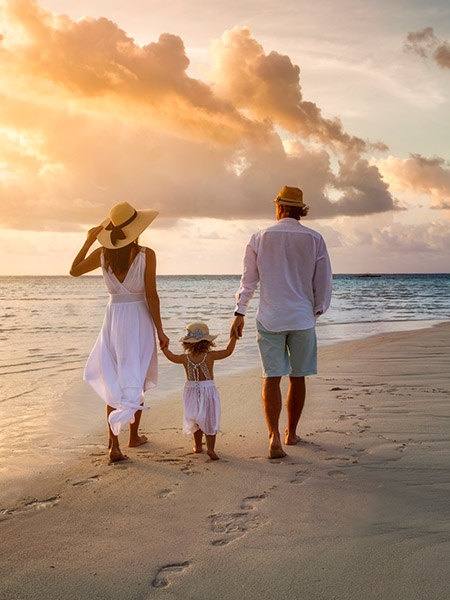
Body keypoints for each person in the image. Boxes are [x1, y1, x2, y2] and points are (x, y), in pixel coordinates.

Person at [231, 185, 332, 459]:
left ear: (279, 207)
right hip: (301, 317)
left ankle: (273, 435)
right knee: (297, 377)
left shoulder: (260, 237)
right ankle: (291, 432)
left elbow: (248, 280)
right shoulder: (314, 238)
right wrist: (317, 310)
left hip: (270, 317)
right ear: (300, 210)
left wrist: (239, 312)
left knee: (271, 377)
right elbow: (322, 281)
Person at [70, 201, 169, 462]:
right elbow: (151, 296)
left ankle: (113, 445)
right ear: (137, 229)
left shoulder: (103, 254)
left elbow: (74, 270)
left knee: (114, 378)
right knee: (135, 373)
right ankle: (133, 436)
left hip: (113, 320)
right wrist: (160, 330)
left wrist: (89, 241)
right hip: (138, 318)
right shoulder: (147, 254)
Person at [161, 322, 237, 460]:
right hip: (208, 390)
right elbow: (228, 352)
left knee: (195, 418)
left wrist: (163, 347)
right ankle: (210, 448)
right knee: (209, 419)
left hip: (191, 391)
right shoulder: (210, 356)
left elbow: (171, 357)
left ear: (187, 343)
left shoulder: (185, 358)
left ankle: (197, 446)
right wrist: (233, 338)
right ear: (207, 342)